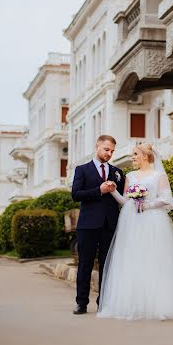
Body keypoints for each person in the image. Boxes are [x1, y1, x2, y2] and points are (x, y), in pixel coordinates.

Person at [97, 142, 173, 320]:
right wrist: (113, 191)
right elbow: (126, 202)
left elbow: (167, 199)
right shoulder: (130, 176)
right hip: (132, 222)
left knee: (153, 260)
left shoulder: (159, 175)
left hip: (153, 222)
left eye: (135, 154)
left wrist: (147, 205)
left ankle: (158, 306)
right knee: (133, 260)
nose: (132, 157)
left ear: (145, 156)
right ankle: (134, 304)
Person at [71, 134, 125, 315]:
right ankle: (81, 303)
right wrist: (99, 190)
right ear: (97, 147)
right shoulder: (82, 169)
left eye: (112, 151)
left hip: (110, 224)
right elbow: (76, 194)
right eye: (106, 149)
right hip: (88, 225)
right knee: (85, 264)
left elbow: (123, 198)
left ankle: (104, 302)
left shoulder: (118, 172)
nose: (109, 153)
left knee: (107, 265)